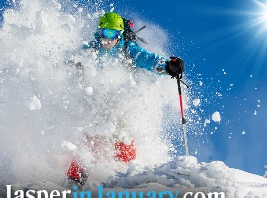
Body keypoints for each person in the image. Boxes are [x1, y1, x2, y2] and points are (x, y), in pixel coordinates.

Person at [66, 12, 185, 188]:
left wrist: (168, 66)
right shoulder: (92, 48)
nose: (106, 39)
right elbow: (74, 57)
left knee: (123, 137)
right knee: (91, 137)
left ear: (119, 35)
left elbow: (148, 59)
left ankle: (129, 178)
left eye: (111, 34)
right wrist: (72, 64)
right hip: (96, 101)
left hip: (119, 103)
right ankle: (74, 180)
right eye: (103, 33)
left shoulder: (127, 49)